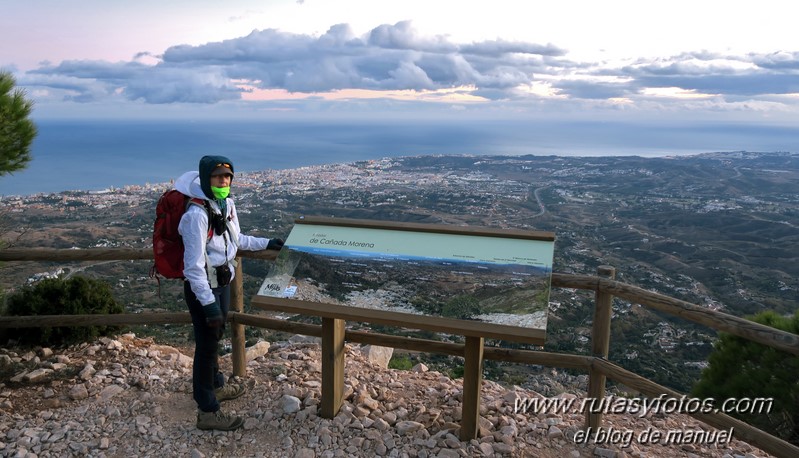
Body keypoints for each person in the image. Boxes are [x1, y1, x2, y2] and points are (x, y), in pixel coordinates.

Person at [174, 155, 284, 431]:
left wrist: (267, 242)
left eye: (227, 177)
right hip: (204, 290)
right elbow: (193, 267)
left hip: (222, 283)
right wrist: (208, 303)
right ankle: (207, 410)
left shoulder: (226, 205)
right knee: (207, 346)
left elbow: (238, 240)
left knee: (214, 339)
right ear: (204, 179)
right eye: (217, 177)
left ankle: (214, 386)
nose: (223, 181)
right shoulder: (196, 215)